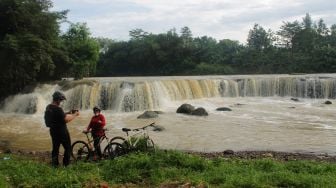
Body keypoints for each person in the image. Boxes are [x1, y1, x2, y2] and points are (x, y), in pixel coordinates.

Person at [44, 91, 79, 167]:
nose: (61, 102)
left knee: (55, 148)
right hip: (62, 132)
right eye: (61, 100)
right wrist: (74, 115)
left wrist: (69, 112)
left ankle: (55, 164)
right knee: (68, 148)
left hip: (53, 131)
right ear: (57, 100)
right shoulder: (58, 109)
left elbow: (59, 116)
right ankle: (66, 164)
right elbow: (66, 119)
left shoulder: (49, 107)